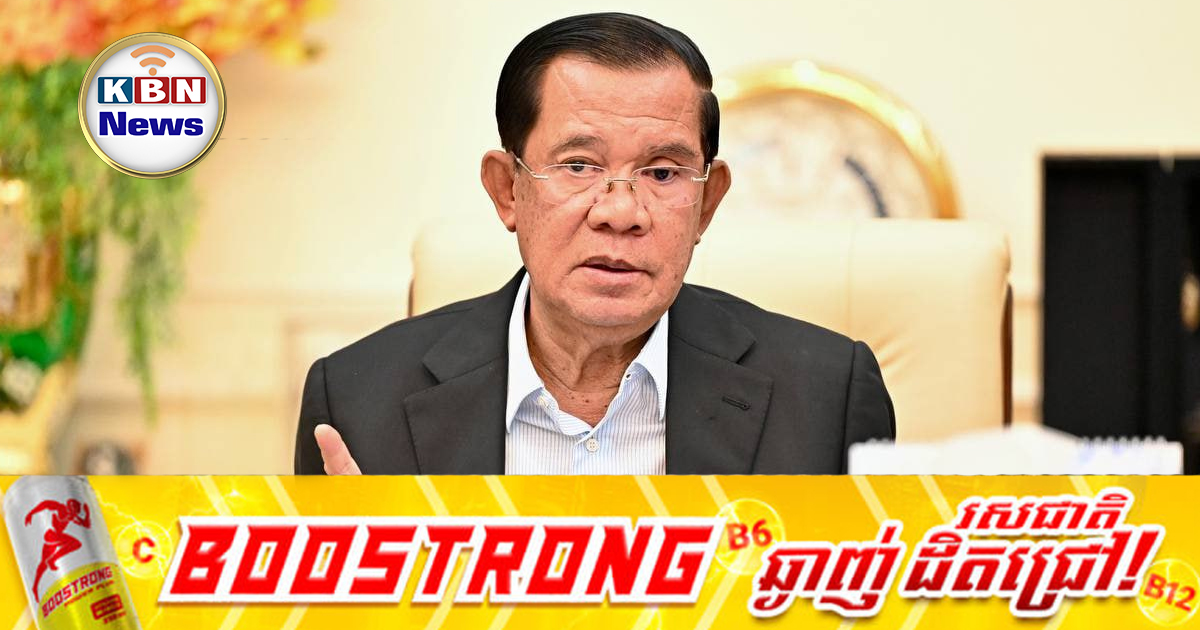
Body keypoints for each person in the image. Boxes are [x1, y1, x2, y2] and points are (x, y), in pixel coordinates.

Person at [295, 12, 894, 476]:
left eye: (663, 172)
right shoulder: (357, 402)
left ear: (707, 203)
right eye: (578, 165)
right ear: (507, 190)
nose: (620, 213)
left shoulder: (826, 397)